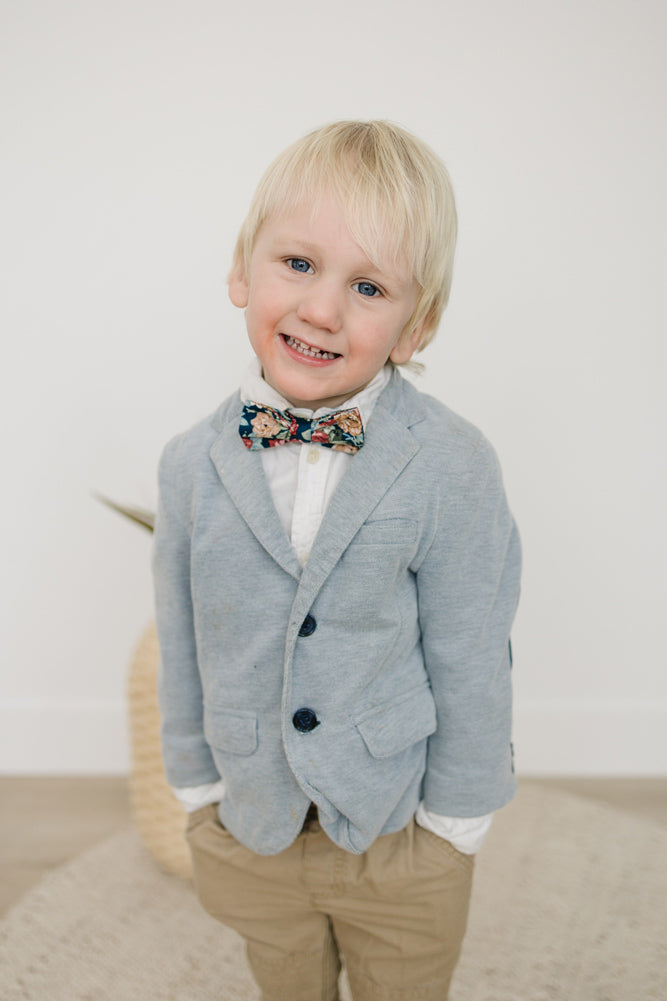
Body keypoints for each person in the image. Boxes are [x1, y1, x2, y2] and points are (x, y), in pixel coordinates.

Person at [153, 120, 521, 1001]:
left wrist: (456, 820)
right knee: (284, 979)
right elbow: (181, 632)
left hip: (397, 826)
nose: (322, 309)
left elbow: (471, 647)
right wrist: (197, 788)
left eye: (367, 285)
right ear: (242, 270)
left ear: (413, 322)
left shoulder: (451, 462)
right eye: (296, 265)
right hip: (252, 819)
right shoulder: (188, 463)